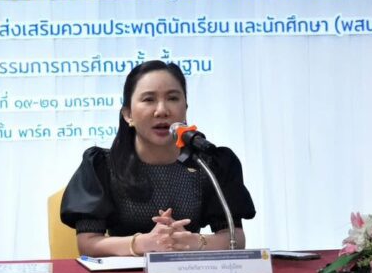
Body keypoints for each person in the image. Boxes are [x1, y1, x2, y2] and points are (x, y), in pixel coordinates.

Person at [61, 60, 255, 257]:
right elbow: (88, 243)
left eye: (172, 98)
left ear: (185, 108)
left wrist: (194, 242)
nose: (162, 110)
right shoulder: (102, 166)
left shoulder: (210, 164)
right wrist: (142, 243)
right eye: (148, 99)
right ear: (128, 114)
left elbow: (235, 238)